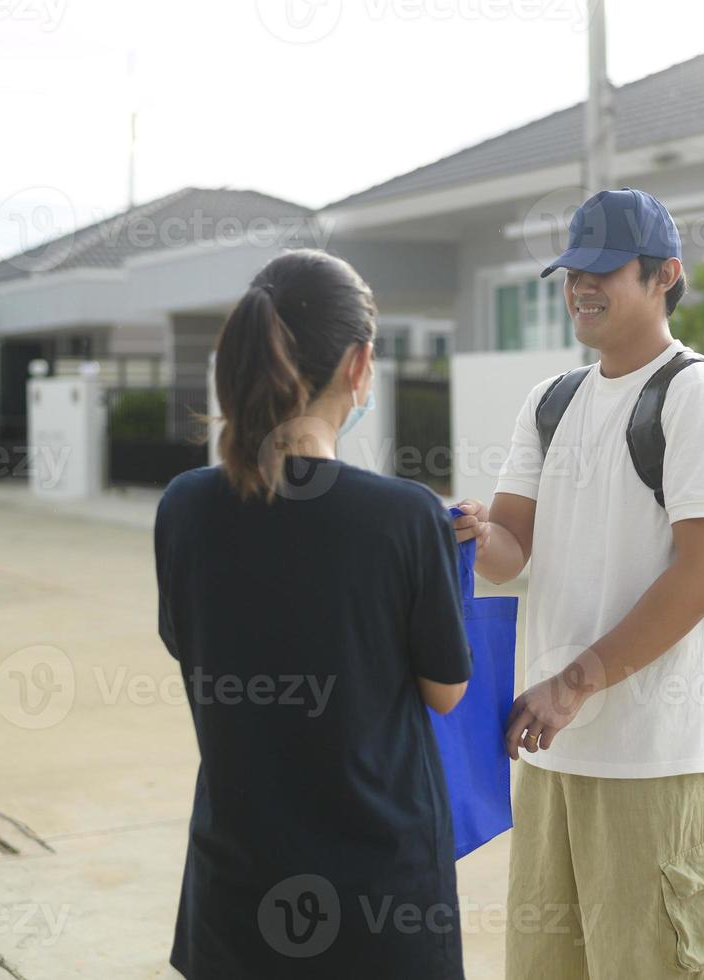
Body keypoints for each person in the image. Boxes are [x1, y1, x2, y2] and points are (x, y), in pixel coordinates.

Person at [455, 188, 704, 979]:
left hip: (653, 755)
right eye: (570, 273)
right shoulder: (551, 402)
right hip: (555, 752)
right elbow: (512, 547)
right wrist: (465, 533)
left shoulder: (699, 396)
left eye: (602, 271)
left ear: (664, 275)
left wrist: (574, 683)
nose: (579, 289)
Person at [154, 249, 472, 978]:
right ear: (359, 365)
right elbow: (445, 690)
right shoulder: (404, 517)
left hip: (233, 892)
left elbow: (190, 644)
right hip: (380, 905)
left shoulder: (184, 506)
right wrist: (439, 564)